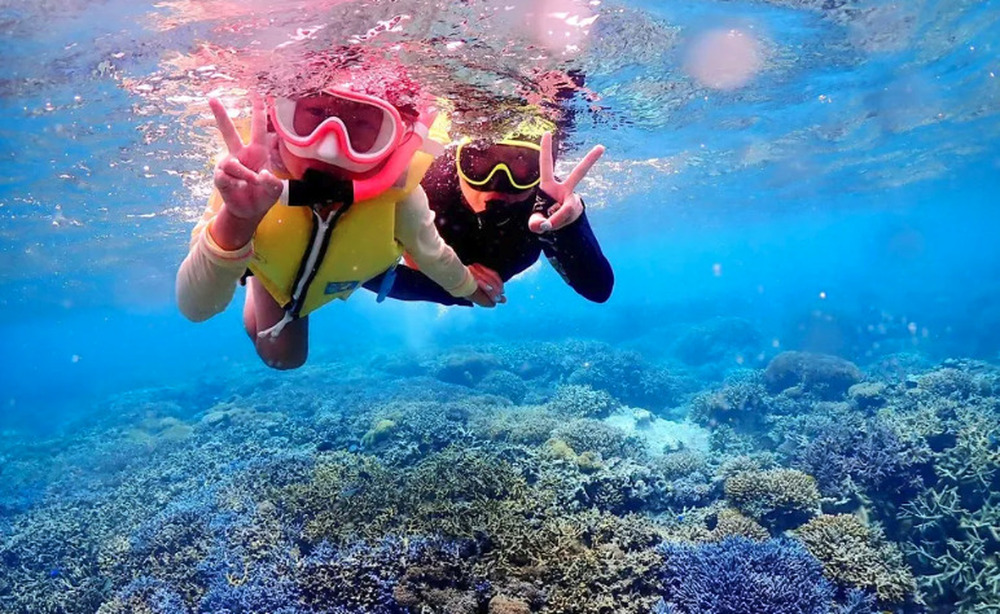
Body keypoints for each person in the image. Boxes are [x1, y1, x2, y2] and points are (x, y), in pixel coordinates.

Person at [175, 76, 499, 369]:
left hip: (317, 274)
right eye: (314, 114)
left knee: (284, 358)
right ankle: (260, 274)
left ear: (394, 141)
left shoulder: (399, 199)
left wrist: (469, 289)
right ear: (278, 120)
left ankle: (267, 276)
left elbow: (432, 253)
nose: (330, 148)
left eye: (362, 125)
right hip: (272, 260)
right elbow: (196, 309)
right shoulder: (248, 177)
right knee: (284, 357)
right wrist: (237, 219)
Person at [360, 116, 614, 306]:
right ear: (457, 161)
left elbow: (598, 289)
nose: (497, 183)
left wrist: (571, 226)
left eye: (522, 165)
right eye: (479, 161)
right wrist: (459, 284)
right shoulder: (427, 181)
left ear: (538, 171)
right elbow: (355, 270)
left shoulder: (546, 206)